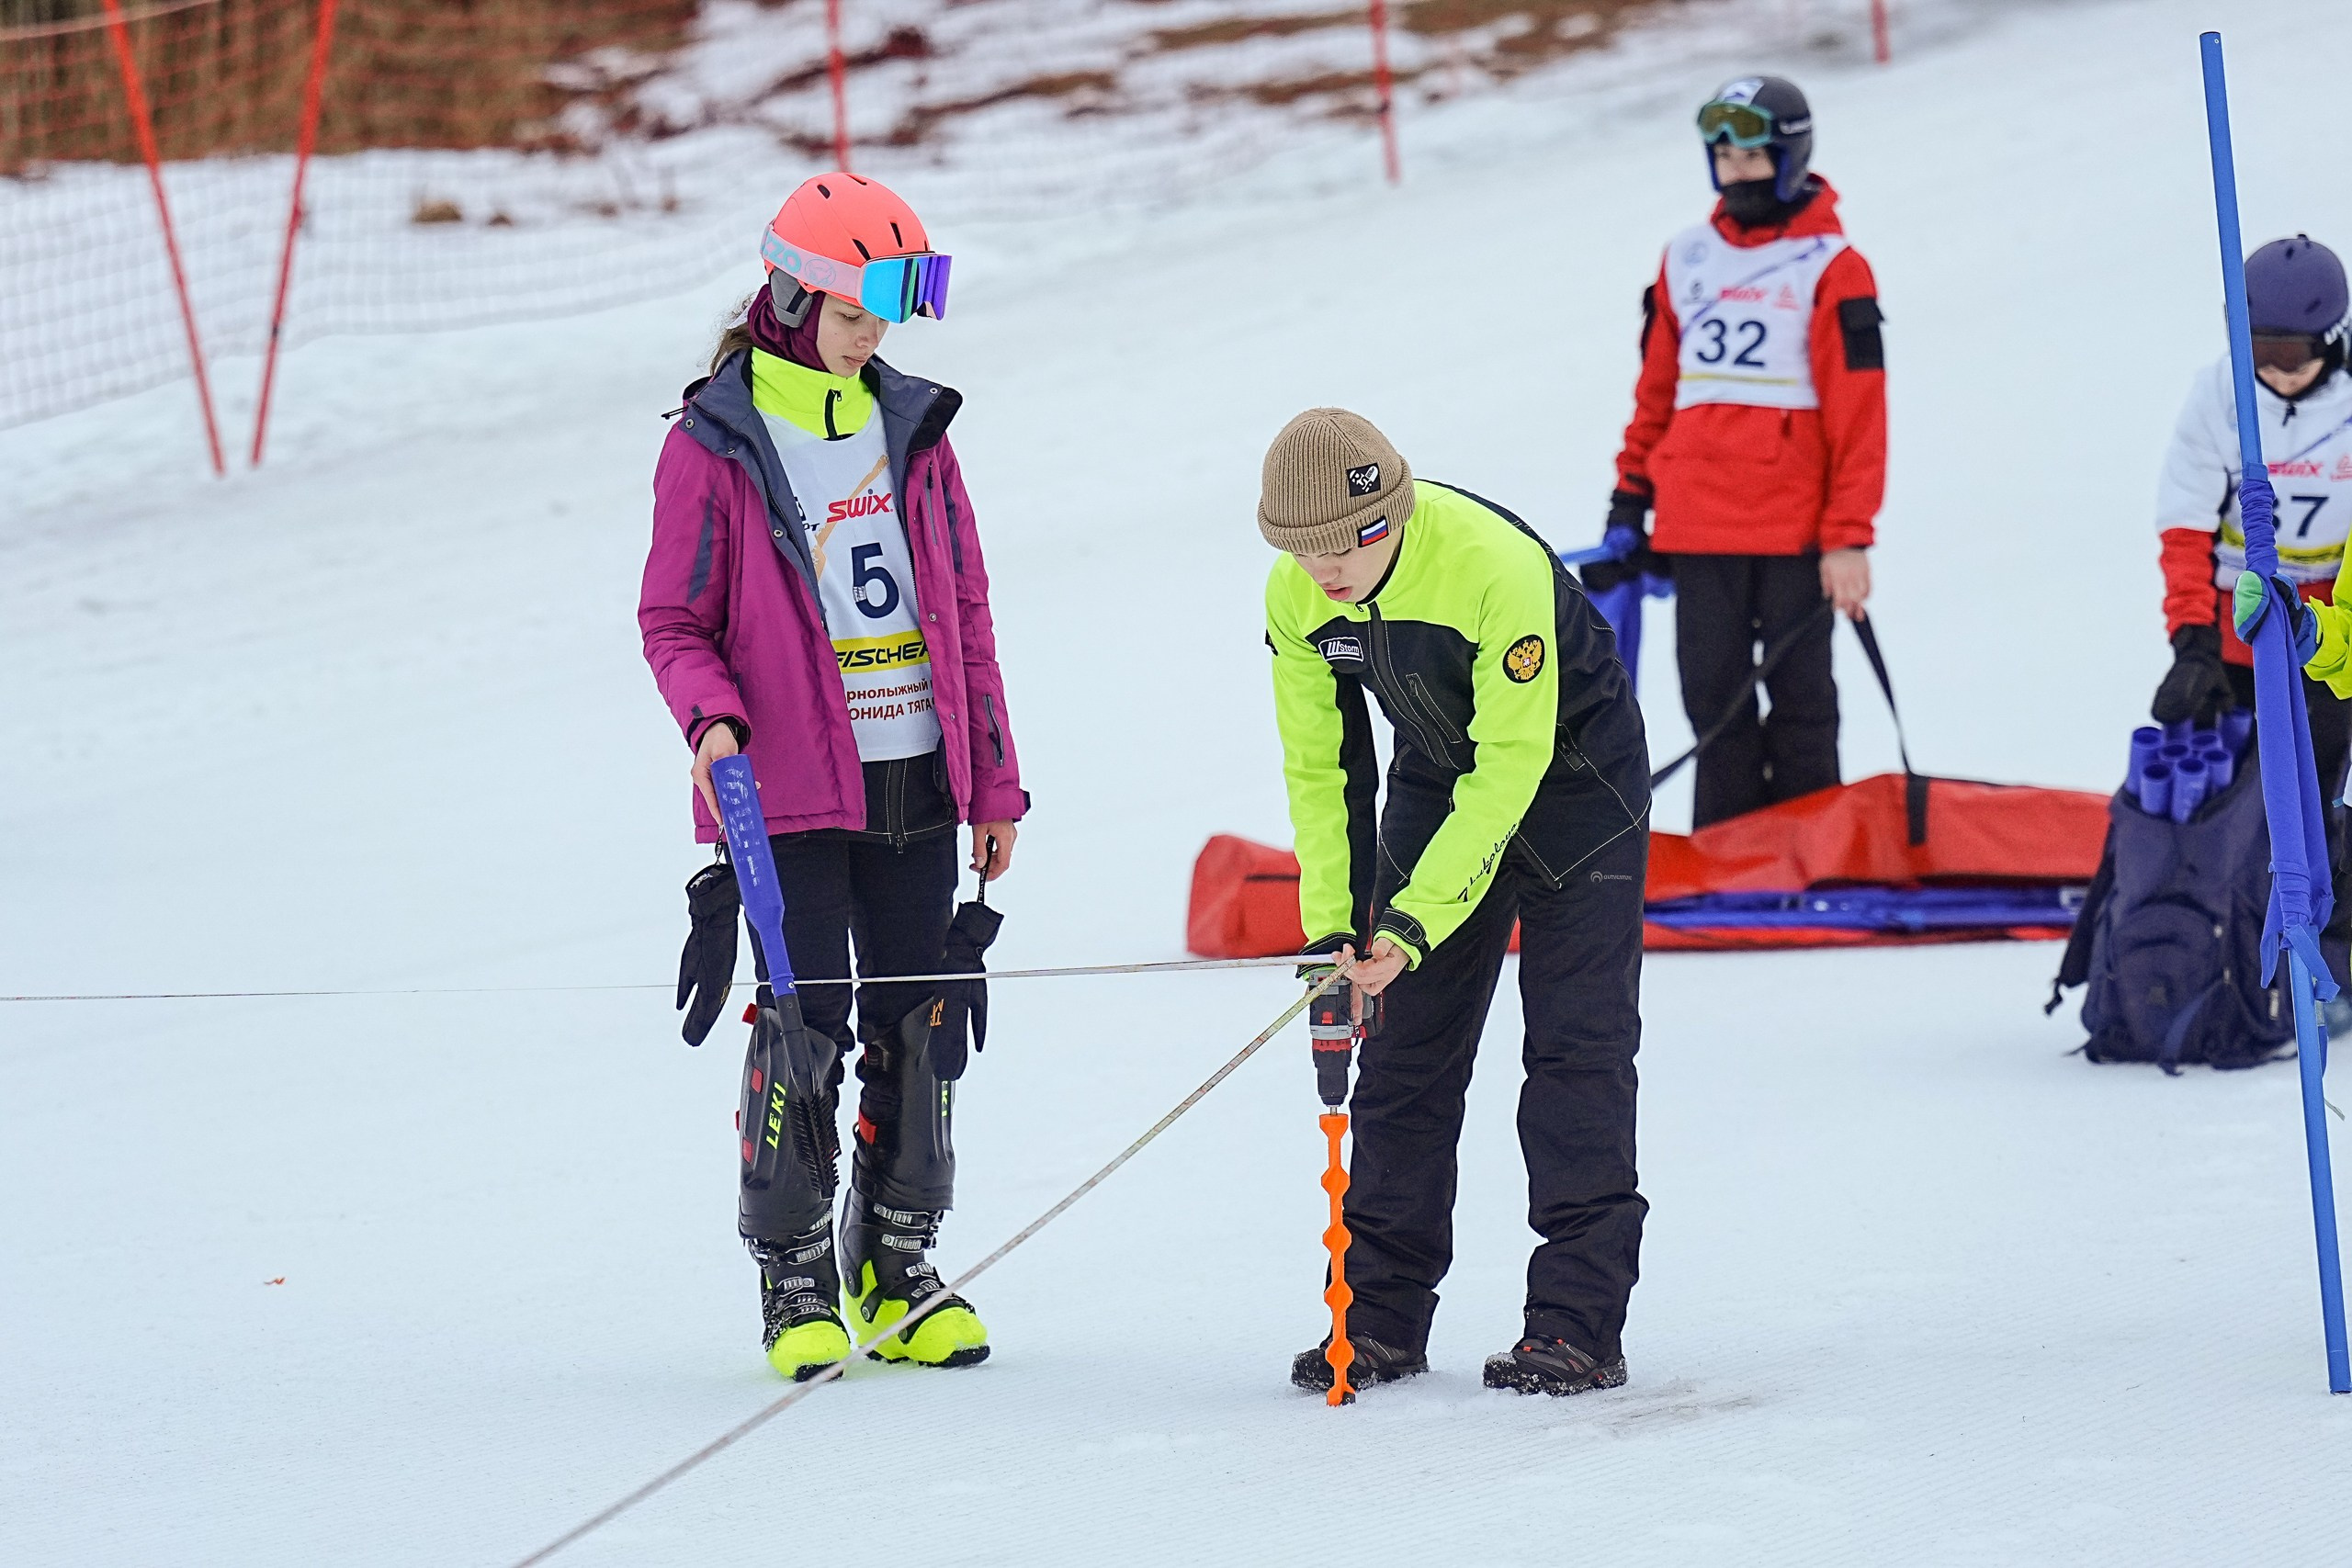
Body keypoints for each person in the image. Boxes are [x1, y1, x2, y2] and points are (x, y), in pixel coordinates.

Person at [638, 173, 1027, 1380]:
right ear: (797, 298)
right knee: (803, 1026)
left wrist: (994, 781)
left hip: (915, 771)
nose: (878, 339)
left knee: (916, 1021)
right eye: (859, 315)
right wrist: (711, 722)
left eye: (889, 318)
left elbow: (963, 604)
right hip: (788, 790)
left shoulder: (911, 422)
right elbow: (673, 619)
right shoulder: (717, 441)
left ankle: (895, 1263)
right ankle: (794, 1277)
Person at [1259, 407, 1652, 1397]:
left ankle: (1574, 1326)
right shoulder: (1296, 600)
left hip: (1576, 794)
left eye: (1353, 539)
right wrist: (1338, 929)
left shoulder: (1490, 565)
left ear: (1391, 512)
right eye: (1303, 549)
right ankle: (1378, 1321)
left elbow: (1511, 765)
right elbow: (1322, 773)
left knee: (1575, 1057)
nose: (1329, 567)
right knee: (1405, 1062)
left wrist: (1412, 920)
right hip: (1437, 789)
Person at [1602, 74, 1886, 829]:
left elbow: (1860, 416)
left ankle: (1813, 856)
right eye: (1723, 157)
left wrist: (1849, 536)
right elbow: (1657, 392)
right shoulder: (1686, 257)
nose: (1737, 172)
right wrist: (1630, 499)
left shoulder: (1833, 266)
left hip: (1795, 531)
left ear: (1789, 157)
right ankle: (1729, 860)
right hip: (1696, 529)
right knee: (1714, 707)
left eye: (1752, 158)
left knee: (1802, 702)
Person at [2162, 235, 2352, 1000]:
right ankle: (2226, 954)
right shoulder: (2221, 395)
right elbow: (2182, 522)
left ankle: (2330, 959)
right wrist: (2192, 642)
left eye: (2292, 352)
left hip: (2327, 642)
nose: (2274, 369)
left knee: (2321, 809)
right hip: (2238, 639)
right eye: (2258, 348)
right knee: (2235, 809)